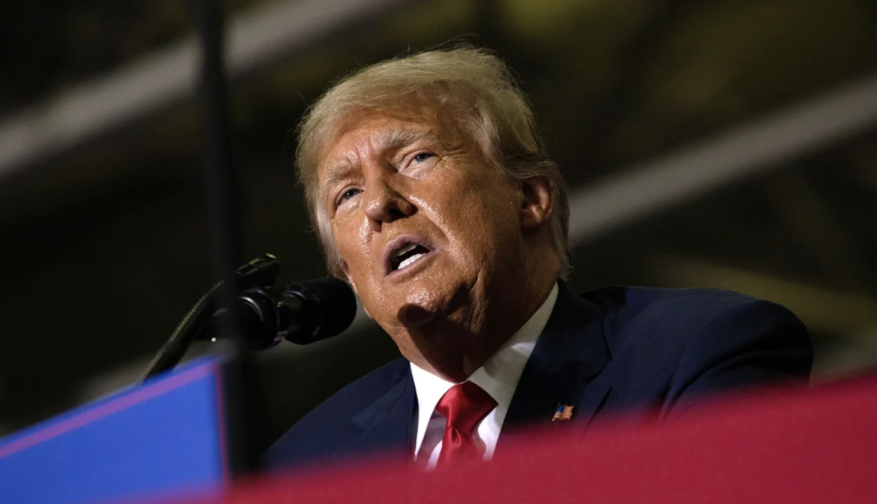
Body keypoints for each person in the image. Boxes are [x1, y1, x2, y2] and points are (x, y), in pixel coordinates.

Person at [265, 46, 812, 470]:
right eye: (347, 194)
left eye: (417, 156)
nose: (381, 202)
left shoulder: (696, 352)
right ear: (348, 275)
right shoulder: (301, 466)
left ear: (529, 198)